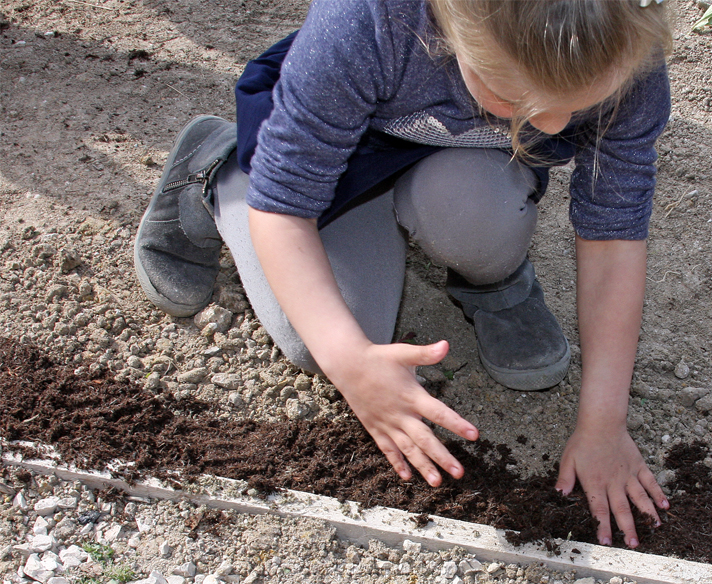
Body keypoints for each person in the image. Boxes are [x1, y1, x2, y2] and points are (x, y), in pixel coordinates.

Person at [134, 0, 673, 548]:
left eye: (577, 106)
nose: (552, 125)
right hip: (340, 152)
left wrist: (605, 422)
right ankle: (213, 167)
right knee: (314, 339)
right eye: (516, 96)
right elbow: (284, 207)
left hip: (461, 153)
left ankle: (488, 276)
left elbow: (612, 235)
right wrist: (351, 361)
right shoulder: (368, 22)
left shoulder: (620, 40)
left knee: (481, 219)